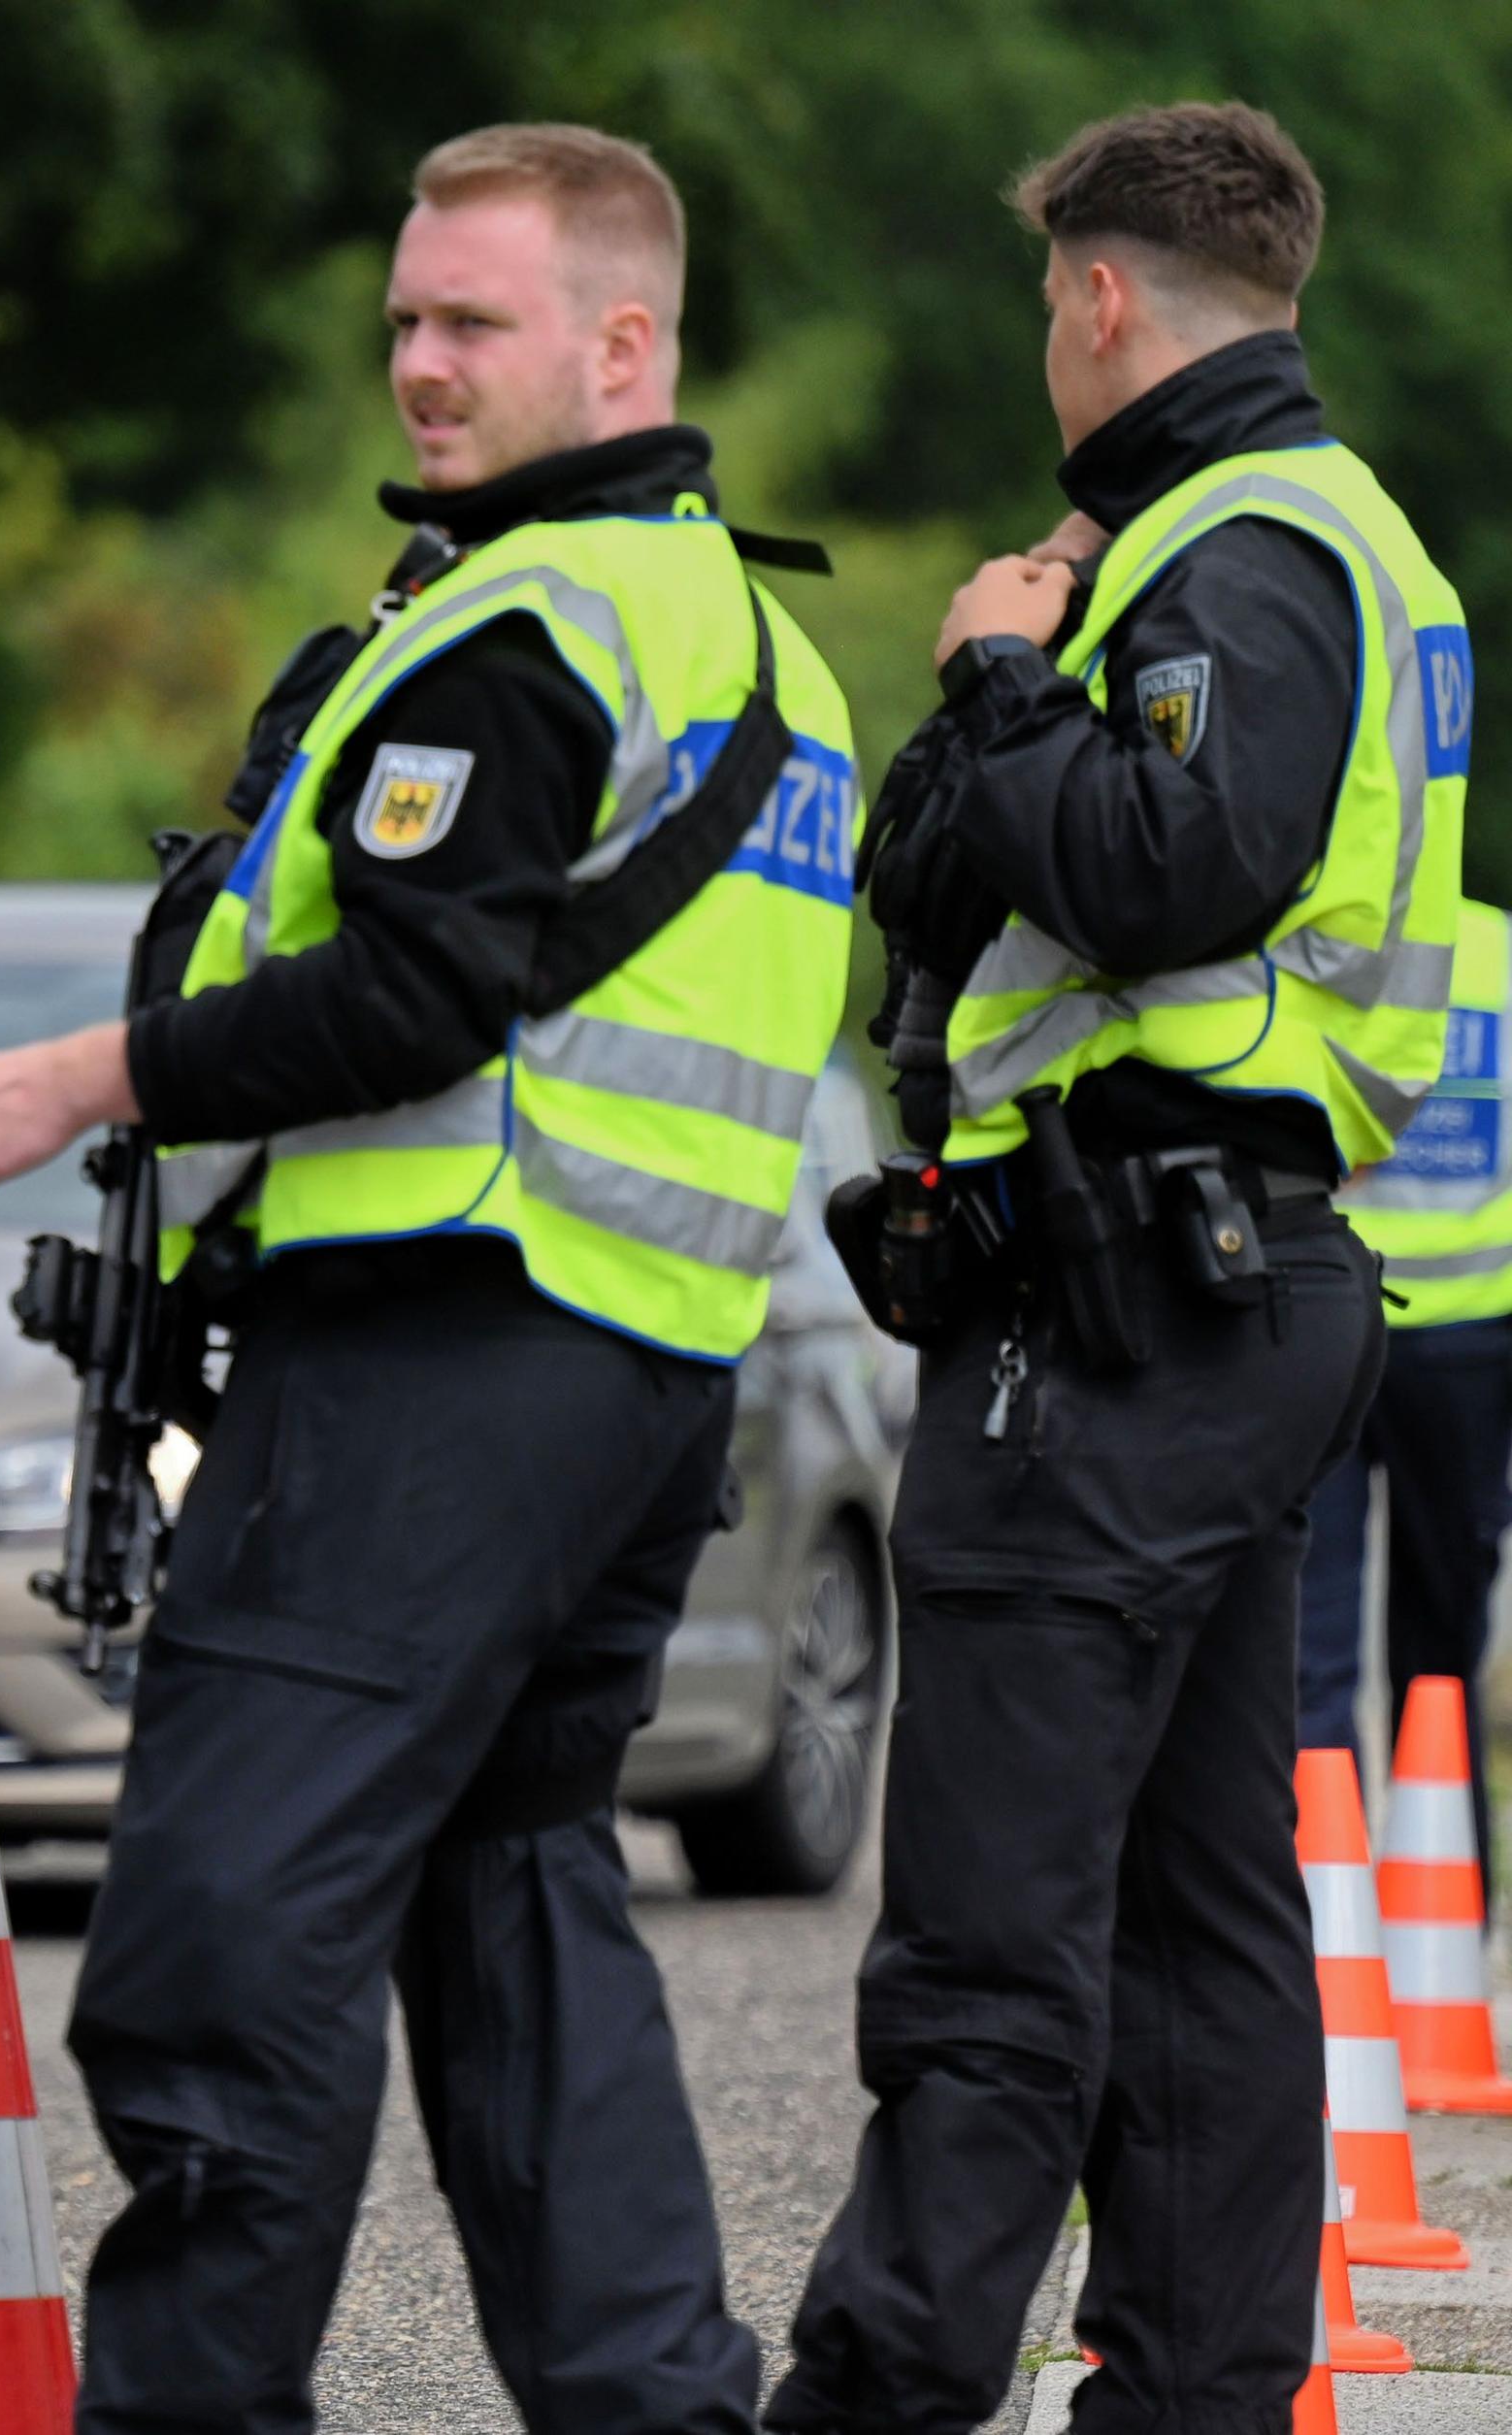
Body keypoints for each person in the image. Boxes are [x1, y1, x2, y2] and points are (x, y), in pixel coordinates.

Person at [0, 124, 859, 2435]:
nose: (418, 369)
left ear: (617, 341)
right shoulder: (770, 653)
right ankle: (650, 2403)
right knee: (513, 1908)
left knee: (222, 1931)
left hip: (440, 1351)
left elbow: (414, 995)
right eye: (402, 325)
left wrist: (82, 1073)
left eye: (471, 326)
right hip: (639, 1379)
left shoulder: (527, 628)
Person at [772, 103, 1463, 2434]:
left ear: (1093, 295)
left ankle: (877, 2391)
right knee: (1192, 1917)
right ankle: (1186, 2390)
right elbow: (926, 872)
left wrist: (985, 674)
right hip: (1207, 1291)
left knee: (992, 1918)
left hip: (1120, 1306)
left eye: (1034, 305)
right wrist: (1001, 716)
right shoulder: (1274, 543)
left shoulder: (1240, 557)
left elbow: (1160, 863)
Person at [1300, 894, 1512, 1884]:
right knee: (1438, 1655)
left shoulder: (1329, 937)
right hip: (1463, 1340)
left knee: (1316, 1653)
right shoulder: (1498, 955)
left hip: (1337, 1320)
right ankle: (1441, 1909)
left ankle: (1305, 1919)